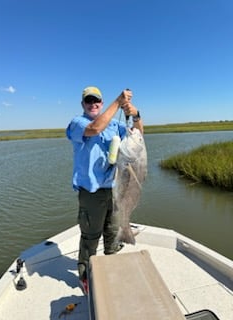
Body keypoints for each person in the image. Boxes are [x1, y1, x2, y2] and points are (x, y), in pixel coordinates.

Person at [66, 86, 143, 294]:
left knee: (113, 231)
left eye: (96, 101)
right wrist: (118, 102)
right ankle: (85, 276)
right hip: (91, 192)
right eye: (88, 101)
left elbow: (138, 135)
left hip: (115, 188)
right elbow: (94, 129)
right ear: (83, 104)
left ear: (101, 103)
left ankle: (111, 267)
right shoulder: (78, 123)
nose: (93, 104)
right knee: (91, 236)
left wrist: (135, 115)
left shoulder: (114, 125)